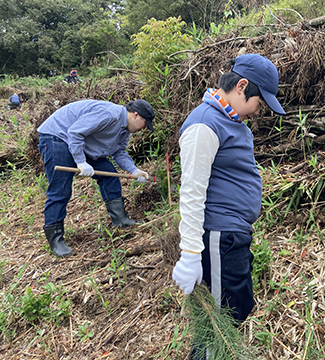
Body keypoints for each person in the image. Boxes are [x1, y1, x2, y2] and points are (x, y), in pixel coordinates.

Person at [172, 53, 285, 358]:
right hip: (219, 234)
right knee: (221, 318)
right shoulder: (205, 124)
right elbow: (192, 190)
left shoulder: (233, 123)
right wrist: (191, 253)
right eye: (258, 103)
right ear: (242, 86)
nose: (257, 112)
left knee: (237, 306)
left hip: (233, 233)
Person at [37, 99, 155, 258]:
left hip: (79, 142)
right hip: (58, 137)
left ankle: (120, 219)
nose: (143, 129)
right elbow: (75, 132)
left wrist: (134, 170)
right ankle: (56, 240)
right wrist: (80, 161)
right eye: (144, 124)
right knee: (60, 190)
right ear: (136, 115)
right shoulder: (109, 115)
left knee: (109, 174)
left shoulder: (124, 129)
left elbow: (119, 152)